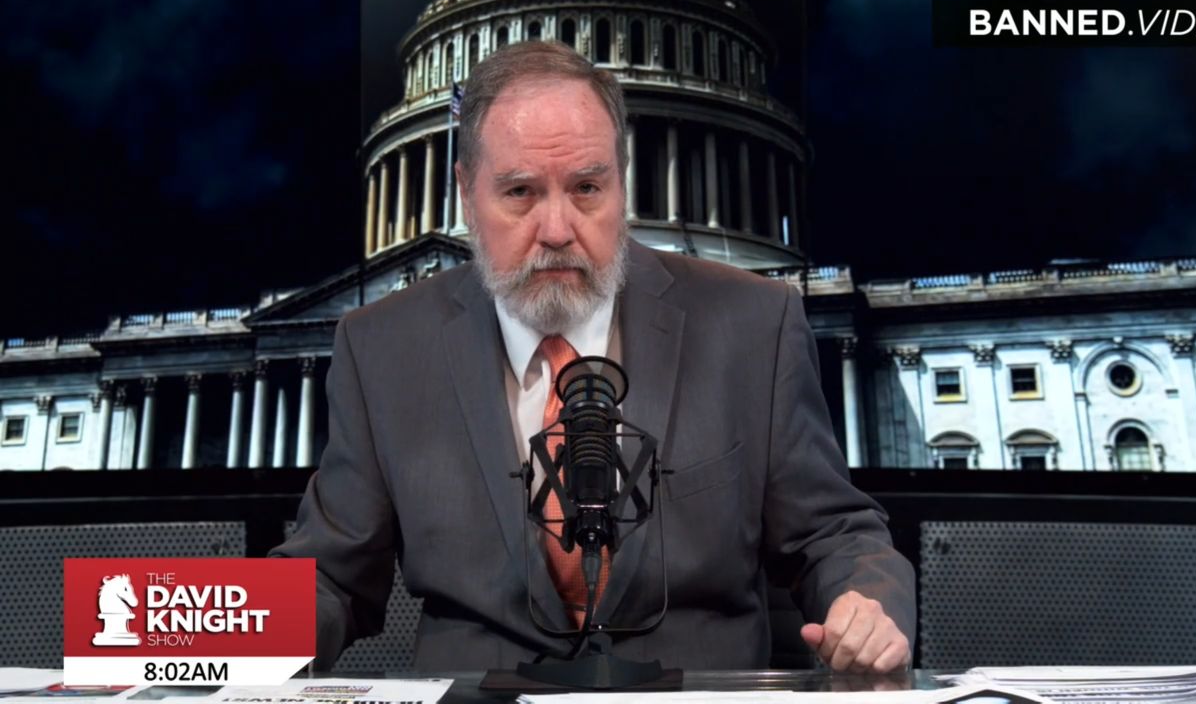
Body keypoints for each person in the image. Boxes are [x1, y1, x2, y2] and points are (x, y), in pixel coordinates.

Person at [272, 40, 915, 674]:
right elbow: (330, 574)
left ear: (622, 182)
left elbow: (832, 535)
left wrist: (866, 606)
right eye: (520, 193)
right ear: (467, 193)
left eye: (586, 188)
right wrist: (231, 635)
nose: (557, 230)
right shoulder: (383, 347)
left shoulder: (753, 324)